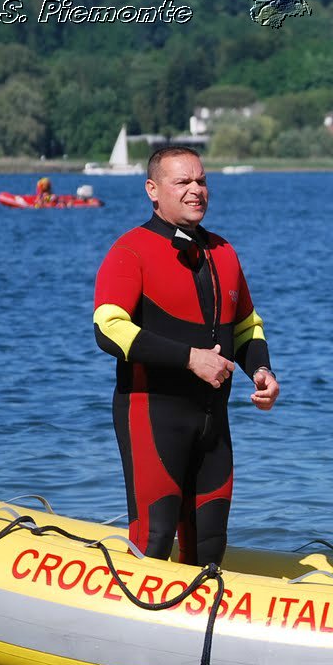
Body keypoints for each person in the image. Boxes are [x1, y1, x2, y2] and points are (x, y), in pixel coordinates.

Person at [93, 146, 279, 566]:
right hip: (153, 416)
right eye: (183, 182)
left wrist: (262, 371)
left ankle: (199, 629)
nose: (196, 190)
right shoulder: (130, 251)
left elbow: (247, 326)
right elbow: (108, 328)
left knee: (211, 546)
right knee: (155, 539)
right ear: (153, 190)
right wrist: (190, 358)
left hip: (213, 424)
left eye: (201, 181)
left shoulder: (223, 252)